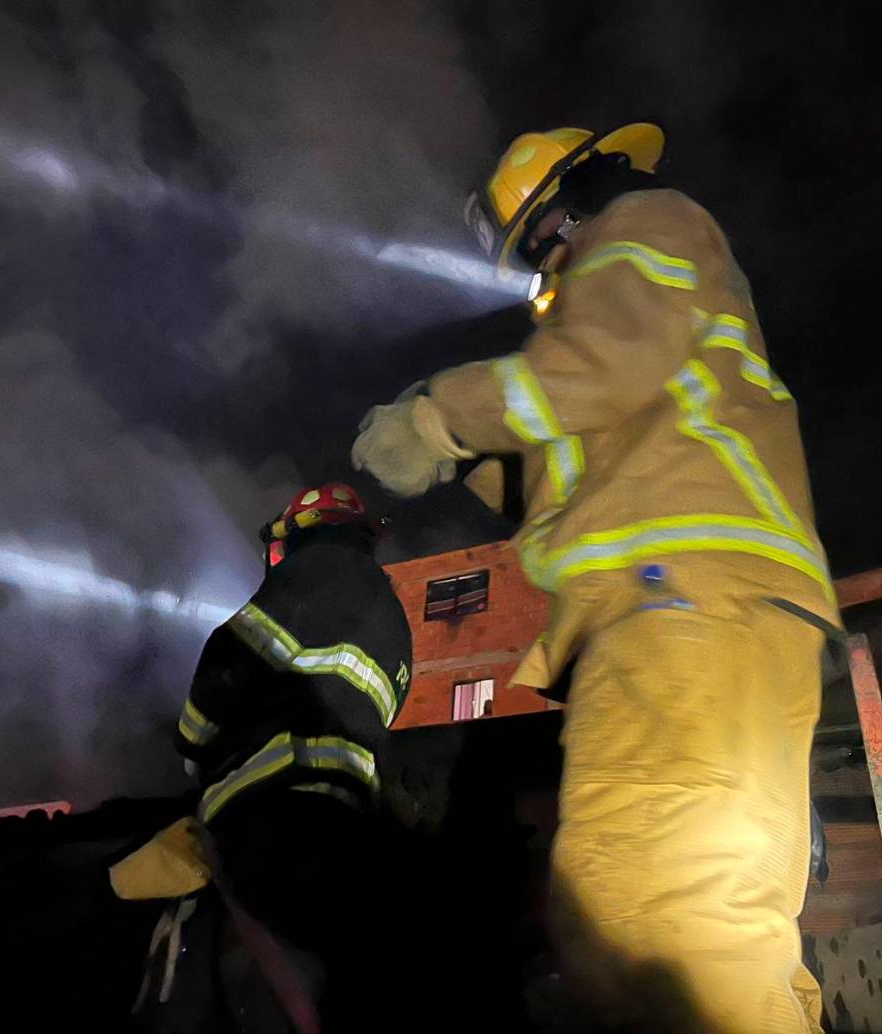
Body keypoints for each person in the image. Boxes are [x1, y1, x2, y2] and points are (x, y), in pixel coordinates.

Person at [352, 123, 841, 1033]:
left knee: (648, 927)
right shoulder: (637, 299)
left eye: (538, 244)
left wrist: (440, 418)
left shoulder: (643, 224)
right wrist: (469, 458)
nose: (540, 273)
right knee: (719, 939)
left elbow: (593, 371)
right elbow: (575, 455)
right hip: (716, 609)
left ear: (570, 207)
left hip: (679, 604)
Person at [174, 482, 414, 1031]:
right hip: (346, 815)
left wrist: (191, 742)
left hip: (268, 806)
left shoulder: (313, 572)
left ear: (301, 533)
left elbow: (232, 653)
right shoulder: (393, 614)